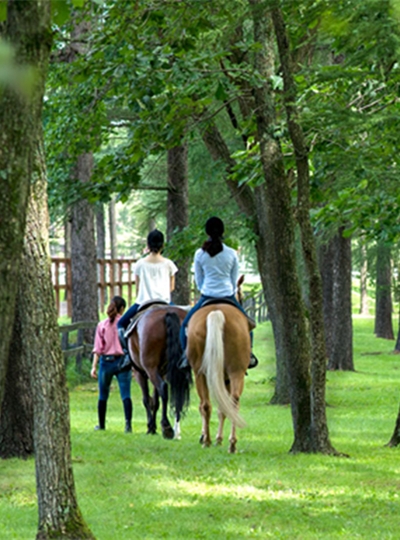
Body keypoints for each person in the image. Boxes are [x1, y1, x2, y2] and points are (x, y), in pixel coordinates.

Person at [179, 216, 258, 369]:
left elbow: (199, 280)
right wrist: (231, 290)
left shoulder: (199, 254)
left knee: (185, 326)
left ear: (207, 232)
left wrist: (206, 289)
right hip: (228, 295)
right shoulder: (231, 253)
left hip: (207, 296)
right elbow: (234, 279)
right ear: (223, 231)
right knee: (248, 326)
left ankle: (185, 357)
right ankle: (249, 354)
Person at [117, 229, 178, 339]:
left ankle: (126, 354)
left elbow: (138, 288)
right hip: (164, 301)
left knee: (120, 324)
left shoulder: (140, 264)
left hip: (143, 302)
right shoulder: (169, 264)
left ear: (148, 245)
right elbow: (172, 287)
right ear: (162, 245)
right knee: (184, 323)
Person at [91, 295, 133, 433]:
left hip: (106, 362)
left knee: (103, 395)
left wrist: (94, 367)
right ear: (122, 309)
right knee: (125, 394)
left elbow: (98, 348)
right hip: (122, 362)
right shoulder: (126, 324)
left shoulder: (102, 325)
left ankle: (101, 424)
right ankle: (128, 424)